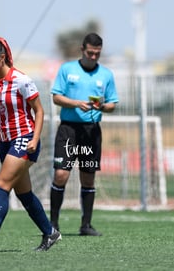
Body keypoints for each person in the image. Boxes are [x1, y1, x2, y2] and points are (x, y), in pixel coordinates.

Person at [0, 37, 61, 252]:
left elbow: (39, 111)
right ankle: (50, 233)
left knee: (1, 186)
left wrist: (35, 139)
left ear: (2, 57)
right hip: (4, 142)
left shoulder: (21, 80)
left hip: (25, 139)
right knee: (23, 193)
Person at [49, 33, 119, 236]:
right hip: (68, 129)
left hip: (91, 132)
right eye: (90, 53)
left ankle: (86, 225)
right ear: (82, 50)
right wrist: (76, 103)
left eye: (97, 54)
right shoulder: (67, 69)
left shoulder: (106, 74)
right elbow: (56, 97)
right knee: (61, 175)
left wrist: (104, 106)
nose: (94, 57)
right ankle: (53, 224)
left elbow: (113, 104)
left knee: (88, 179)